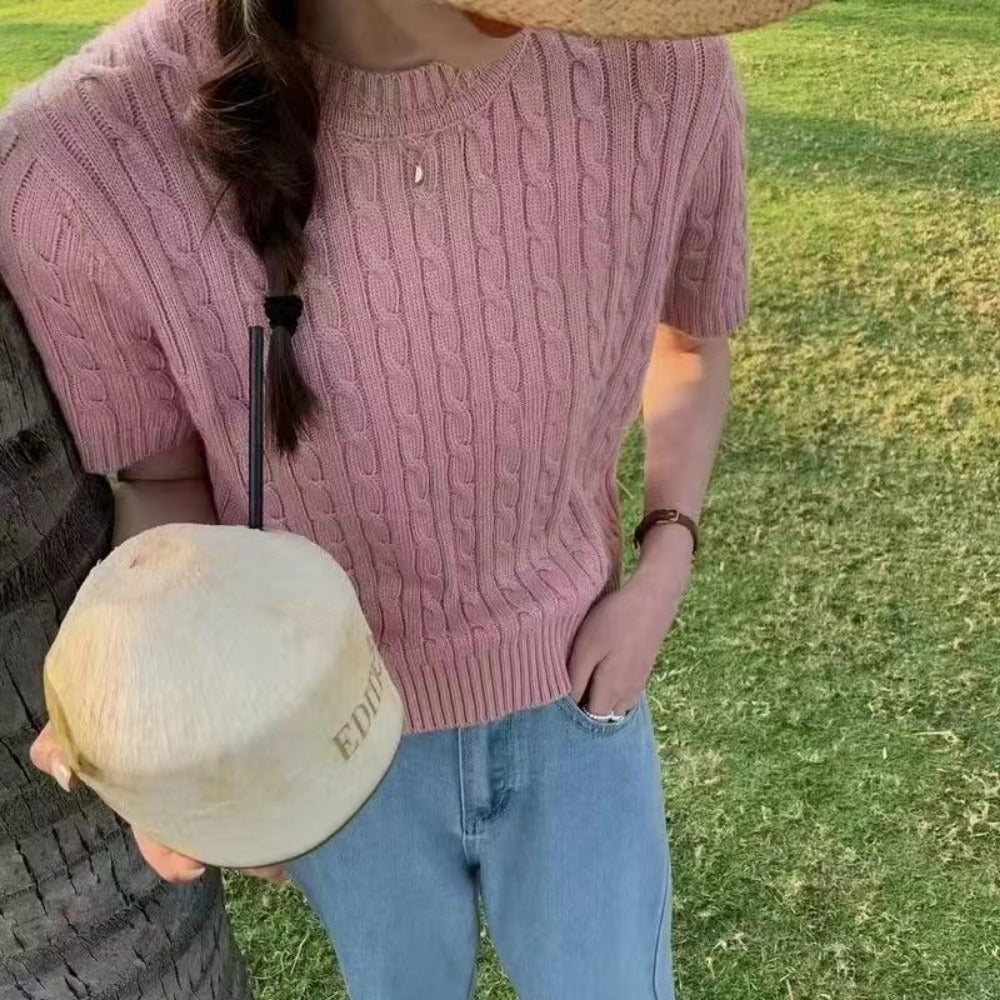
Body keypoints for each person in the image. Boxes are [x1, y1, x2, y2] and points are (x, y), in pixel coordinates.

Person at [1, 0, 816, 996]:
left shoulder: (663, 66)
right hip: (334, 744)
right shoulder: (83, 162)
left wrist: (664, 567)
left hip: (583, 704)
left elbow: (688, 342)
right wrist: (162, 709)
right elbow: (164, 480)